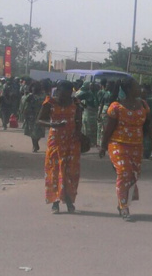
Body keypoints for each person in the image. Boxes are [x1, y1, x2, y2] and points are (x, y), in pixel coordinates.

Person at [100, 77, 151, 221]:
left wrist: (151, 143)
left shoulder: (143, 105)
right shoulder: (116, 106)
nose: (139, 89)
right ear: (128, 89)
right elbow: (108, 129)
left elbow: (147, 125)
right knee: (124, 173)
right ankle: (124, 207)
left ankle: (121, 202)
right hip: (118, 144)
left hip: (137, 145)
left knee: (133, 176)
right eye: (136, 87)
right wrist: (103, 146)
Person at [39, 81, 84, 214]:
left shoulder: (76, 103)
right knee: (55, 170)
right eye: (63, 93)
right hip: (55, 141)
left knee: (71, 172)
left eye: (68, 93)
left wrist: (79, 133)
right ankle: (55, 202)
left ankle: (69, 200)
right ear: (58, 91)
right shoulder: (50, 103)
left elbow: (78, 121)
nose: (65, 97)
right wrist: (54, 124)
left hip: (72, 141)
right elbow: (40, 120)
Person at [19, 82, 47, 152]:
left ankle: (36, 142)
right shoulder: (30, 96)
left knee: (40, 132)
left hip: (41, 115)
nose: (33, 90)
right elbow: (24, 103)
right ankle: (35, 145)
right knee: (32, 132)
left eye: (35, 89)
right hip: (31, 116)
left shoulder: (43, 95)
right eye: (32, 89)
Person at [74, 81, 101, 147]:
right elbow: (76, 98)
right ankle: (88, 142)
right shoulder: (87, 93)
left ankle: (94, 142)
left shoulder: (99, 93)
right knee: (88, 127)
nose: (93, 87)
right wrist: (83, 105)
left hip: (96, 111)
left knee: (95, 127)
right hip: (89, 111)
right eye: (91, 86)